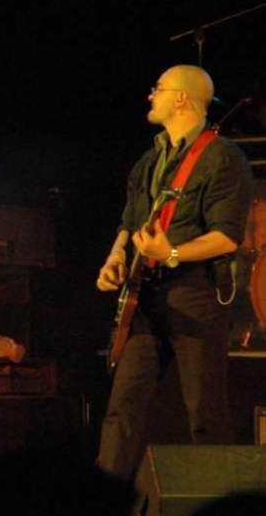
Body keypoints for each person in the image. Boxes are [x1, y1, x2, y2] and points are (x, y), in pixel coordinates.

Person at [95, 65, 252, 480]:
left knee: (204, 411)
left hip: (196, 293)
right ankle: (101, 504)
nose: (151, 96)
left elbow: (227, 237)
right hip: (146, 295)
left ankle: (221, 506)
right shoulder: (149, 160)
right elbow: (129, 223)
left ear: (182, 97)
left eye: (158, 89)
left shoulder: (223, 157)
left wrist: (173, 252)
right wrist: (114, 259)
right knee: (122, 407)